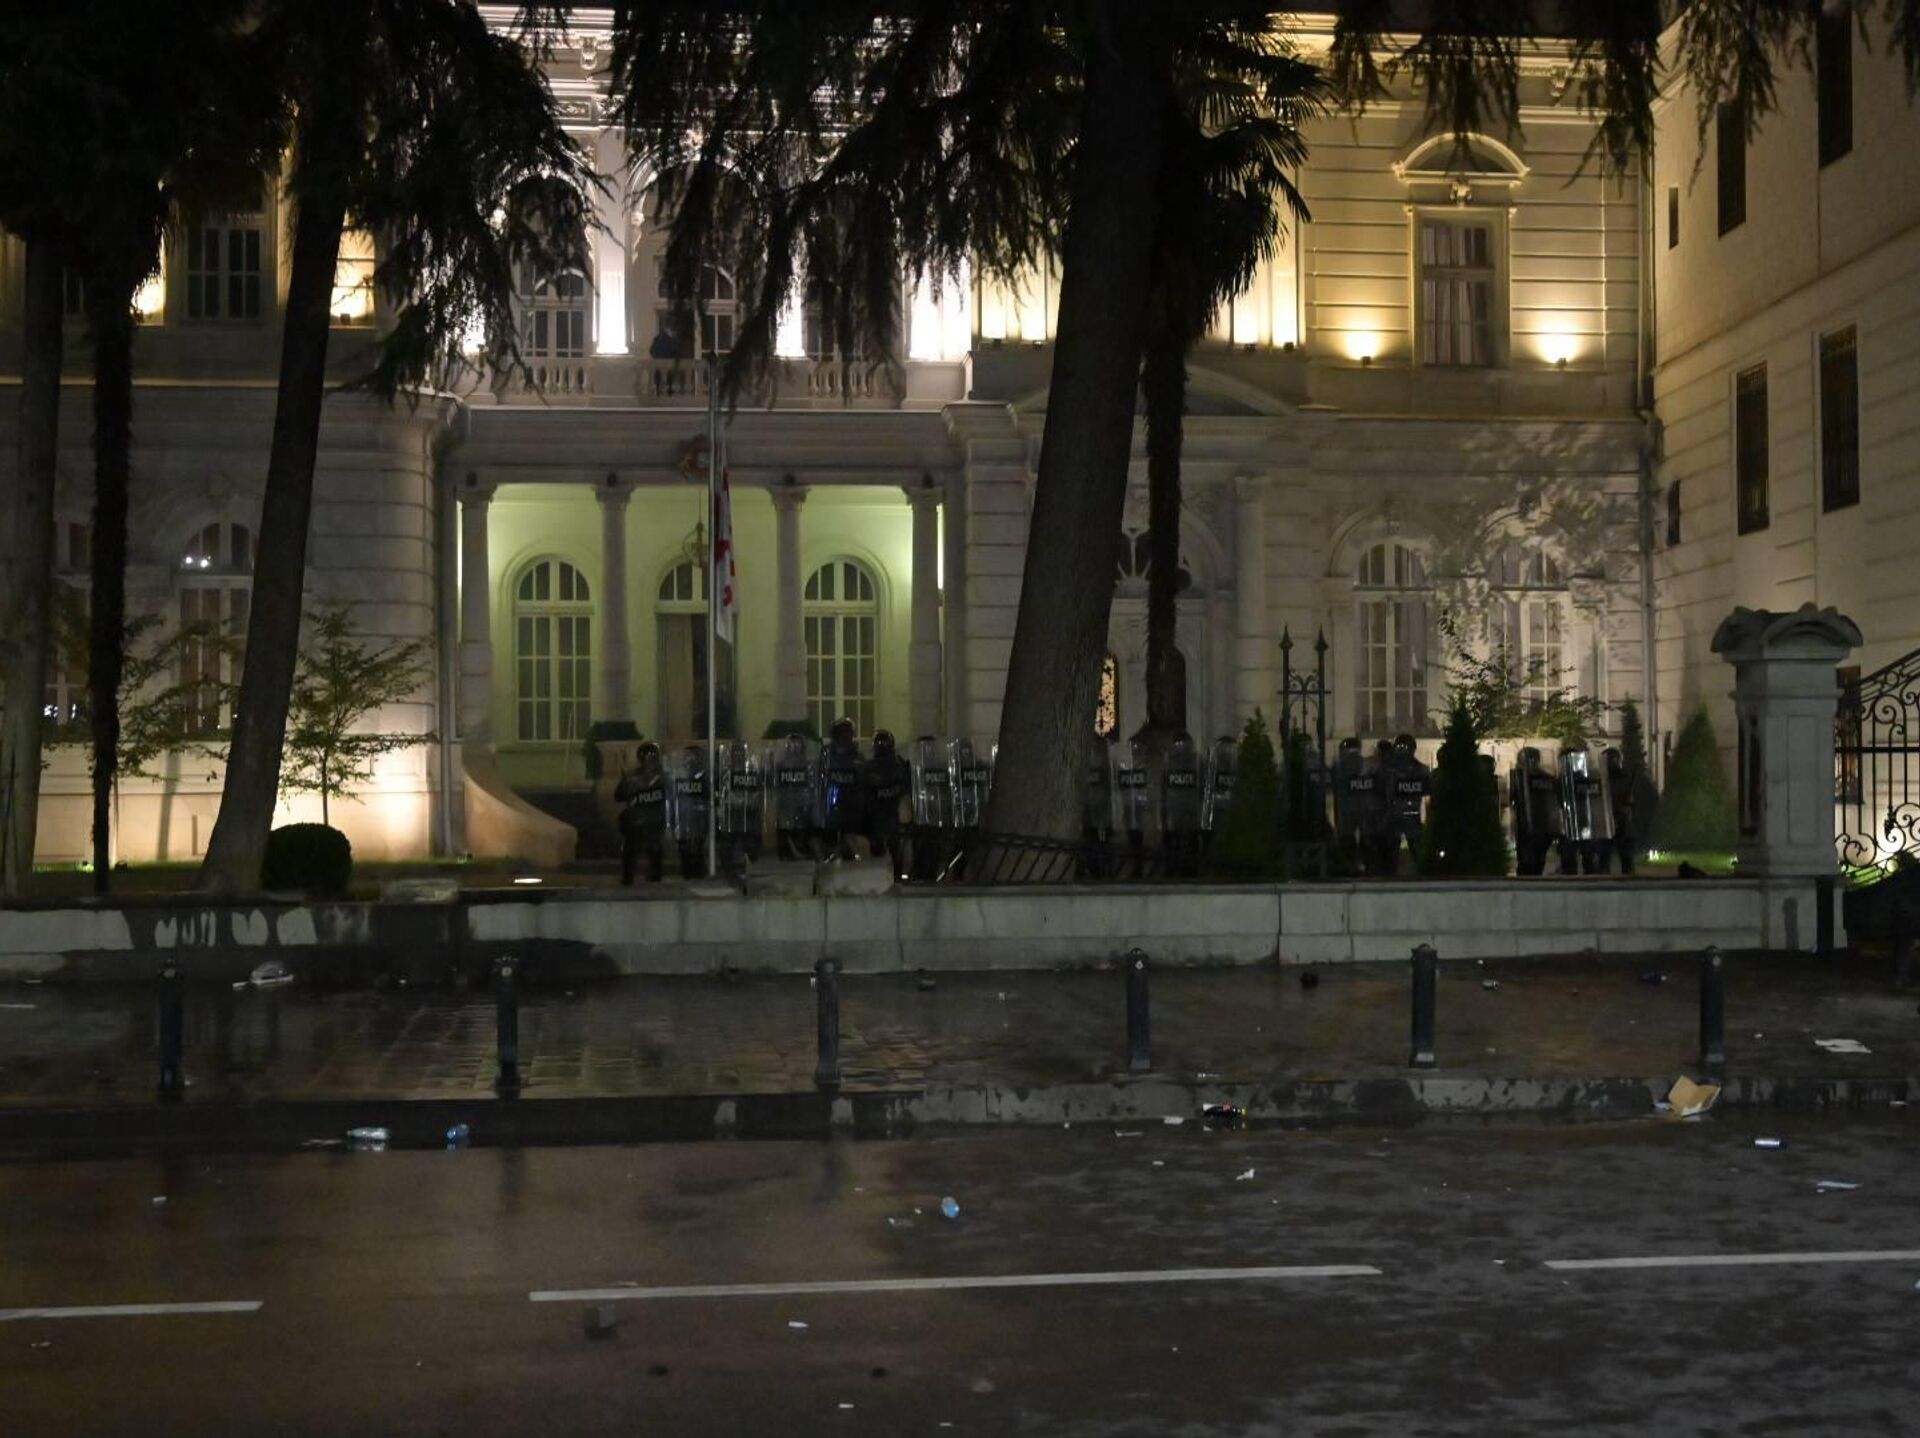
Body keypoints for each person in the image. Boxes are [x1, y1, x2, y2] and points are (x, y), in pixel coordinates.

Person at [614, 742, 668, 884]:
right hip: (638, 820)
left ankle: (651, 876)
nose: (649, 764)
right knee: (632, 848)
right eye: (647, 759)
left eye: (651, 759)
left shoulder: (663, 777)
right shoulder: (633, 776)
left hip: (653, 819)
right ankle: (629, 877)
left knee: (652, 847)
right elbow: (619, 796)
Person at [862, 728, 910, 876]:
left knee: (890, 848)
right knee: (886, 848)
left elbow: (905, 789)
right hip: (881, 816)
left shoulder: (897, 765)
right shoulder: (874, 767)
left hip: (887, 815)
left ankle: (889, 876)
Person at [1387, 733, 1431, 873]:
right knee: (1391, 855)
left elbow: (1427, 793)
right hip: (1397, 816)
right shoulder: (1390, 770)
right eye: (1399, 747)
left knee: (1417, 852)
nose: (1402, 751)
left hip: (1410, 815)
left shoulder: (1421, 770)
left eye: (1403, 747)